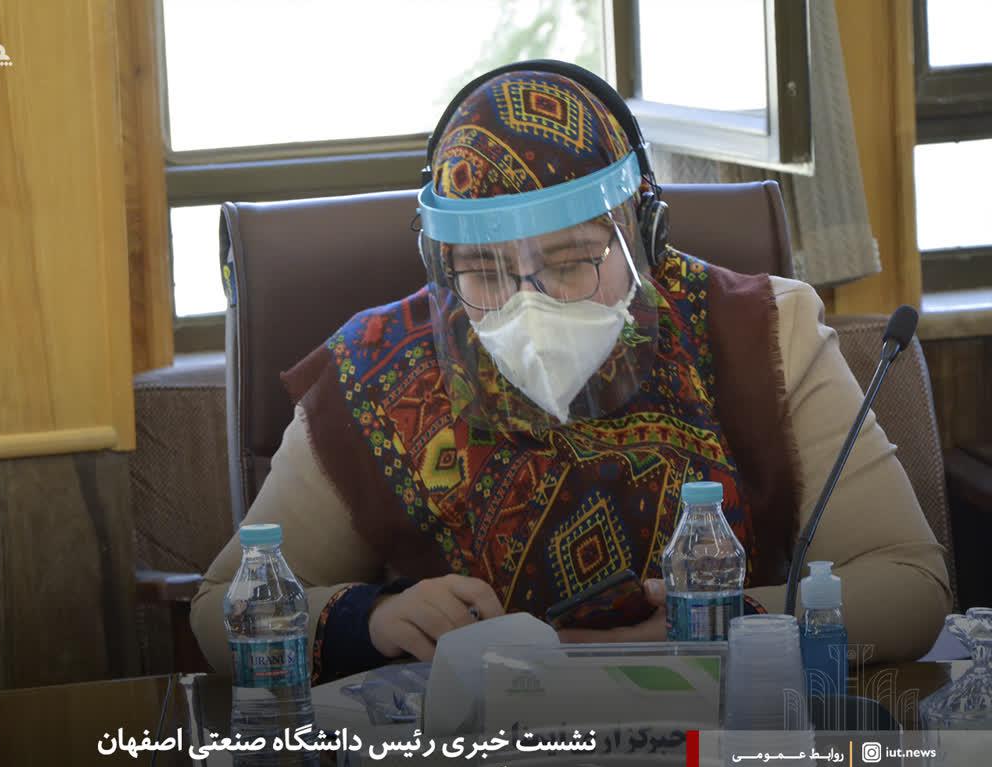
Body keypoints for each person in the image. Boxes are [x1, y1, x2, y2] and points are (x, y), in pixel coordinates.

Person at [191, 62, 950, 683]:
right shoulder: (381, 372)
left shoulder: (761, 332)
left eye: (571, 262)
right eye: (484, 270)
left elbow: (910, 582)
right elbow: (223, 608)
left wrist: (726, 627)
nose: (530, 304)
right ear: (442, 264)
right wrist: (373, 620)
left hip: (720, 743)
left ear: (643, 233)